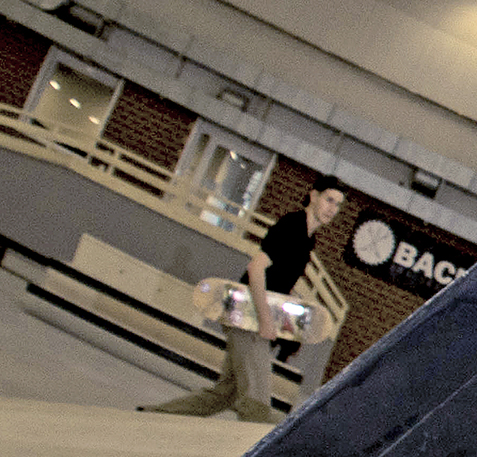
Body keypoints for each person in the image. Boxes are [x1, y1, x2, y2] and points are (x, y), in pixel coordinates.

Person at [143, 175, 346, 422]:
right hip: (245, 315)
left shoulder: (308, 239)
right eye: (329, 200)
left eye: (337, 204)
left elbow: (279, 280)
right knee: (257, 407)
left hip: (254, 316)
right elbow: (256, 269)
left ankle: (153, 417)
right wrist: (265, 320)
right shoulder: (291, 226)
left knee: (224, 394)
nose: (332, 209)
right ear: (313, 195)